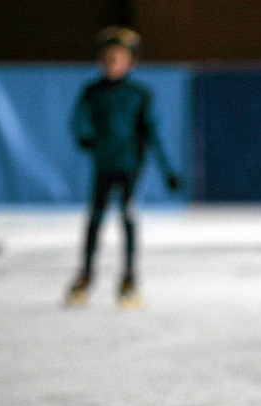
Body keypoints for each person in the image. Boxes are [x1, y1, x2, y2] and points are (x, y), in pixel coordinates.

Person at [66, 27, 181, 310]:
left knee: (128, 219)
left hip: (130, 167)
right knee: (95, 219)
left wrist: (169, 170)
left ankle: (129, 278)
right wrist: (85, 135)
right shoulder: (93, 92)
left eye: (118, 58)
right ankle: (85, 275)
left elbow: (156, 133)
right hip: (104, 165)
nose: (111, 64)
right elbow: (80, 119)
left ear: (130, 62)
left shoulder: (138, 95)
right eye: (107, 58)